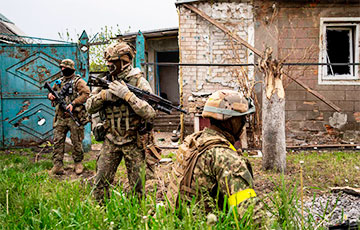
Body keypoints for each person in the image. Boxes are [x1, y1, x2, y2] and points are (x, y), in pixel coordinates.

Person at [167, 90, 264, 225]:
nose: (243, 125)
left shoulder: (193, 142)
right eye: (242, 119)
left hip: (178, 223)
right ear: (232, 121)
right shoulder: (225, 157)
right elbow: (251, 215)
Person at [85, 41, 157, 203]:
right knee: (101, 181)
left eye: (113, 61)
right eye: (108, 61)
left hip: (133, 140)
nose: (109, 64)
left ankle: (137, 217)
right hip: (111, 139)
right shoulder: (105, 81)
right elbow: (89, 107)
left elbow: (150, 113)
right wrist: (103, 96)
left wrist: (128, 96)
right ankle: (100, 215)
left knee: (138, 185)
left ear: (124, 61)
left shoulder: (139, 82)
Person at [48, 59, 90, 175]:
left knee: (76, 141)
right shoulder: (58, 82)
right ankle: (58, 165)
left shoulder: (78, 82)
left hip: (74, 116)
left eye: (65, 68)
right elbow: (52, 92)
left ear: (71, 68)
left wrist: (73, 103)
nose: (62, 70)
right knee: (58, 141)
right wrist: (50, 96)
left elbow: (86, 94)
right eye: (61, 67)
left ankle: (78, 163)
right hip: (60, 117)